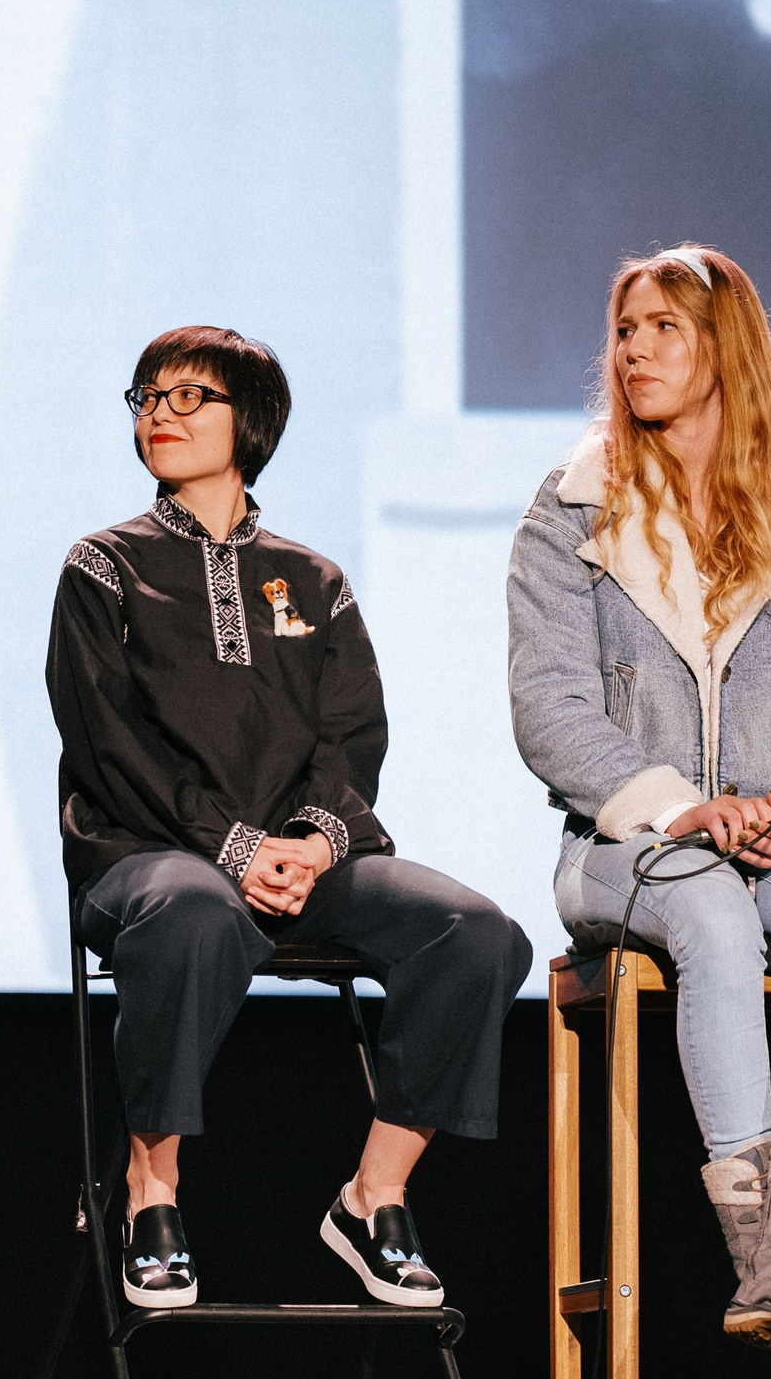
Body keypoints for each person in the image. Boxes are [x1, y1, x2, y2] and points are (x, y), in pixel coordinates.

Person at [46, 325, 535, 1310]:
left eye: (188, 397)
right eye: (146, 396)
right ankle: (151, 1192)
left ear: (250, 420)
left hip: (301, 865)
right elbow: (110, 745)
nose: (158, 414)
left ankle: (373, 1193)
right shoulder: (103, 569)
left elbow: (353, 737)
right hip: (149, 859)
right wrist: (232, 849)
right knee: (195, 910)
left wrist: (312, 843)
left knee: (475, 932)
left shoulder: (310, 581)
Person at [507, 246, 771, 1348]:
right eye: (625, 329)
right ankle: (767, 1257)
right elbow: (547, 706)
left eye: (663, 329)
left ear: (721, 348)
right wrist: (670, 805)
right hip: (621, 844)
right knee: (712, 913)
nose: (634, 349)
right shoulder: (573, 509)